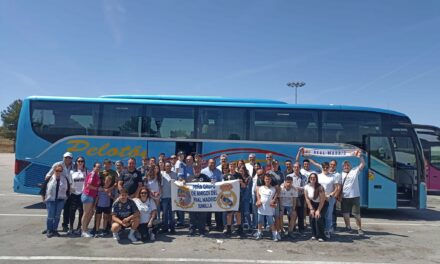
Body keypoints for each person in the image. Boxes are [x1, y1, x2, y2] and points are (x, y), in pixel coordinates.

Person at [45, 152, 74, 233]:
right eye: (66, 157)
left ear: (72, 159)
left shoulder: (74, 165)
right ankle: (49, 229)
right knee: (51, 213)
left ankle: (63, 226)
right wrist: (48, 182)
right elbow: (48, 174)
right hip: (54, 192)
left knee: (66, 210)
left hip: (67, 191)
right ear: (63, 157)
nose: (67, 159)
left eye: (69, 158)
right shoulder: (58, 164)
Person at [341, 150, 366, 235]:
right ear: (342, 167)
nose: (346, 166)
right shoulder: (340, 174)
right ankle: (348, 227)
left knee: (356, 214)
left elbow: (363, 164)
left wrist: (360, 156)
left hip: (355, 196)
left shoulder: (354, 171)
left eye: (348, 165)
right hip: (344, 197)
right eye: (345, 165)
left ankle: (359, 228)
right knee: (345, 213)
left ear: (350, 166)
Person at [44, 164, 70, 238]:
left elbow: (68, 189)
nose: (58, 172)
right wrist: (43, 198)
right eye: (57, 170)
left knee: (57, 216)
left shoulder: (64, 179)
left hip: (60, 200)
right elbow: (43, 188)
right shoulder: (49, 178)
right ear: (54, 170)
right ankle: (49, 230)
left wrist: (66, 197)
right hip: (51, 200)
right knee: (50, 216)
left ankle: (55, 230)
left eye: (60, 171)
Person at [186, 165, 211, 236]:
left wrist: (213, 182)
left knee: (202, 217)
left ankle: (202, 231)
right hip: (192, 202)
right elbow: (185, 187)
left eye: (198, 168)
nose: (196, 170)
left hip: (202, 202)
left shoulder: (205, 177)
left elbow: (212, 186)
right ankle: (192, 230)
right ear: (193, 169)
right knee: (192, 217)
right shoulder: (189, 178)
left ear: (200, 169)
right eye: (195, 168)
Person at [318, 162, 339, 239]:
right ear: (322, 167)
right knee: (320, 215)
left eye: (327, 167)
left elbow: (337, 188)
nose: (326, 168)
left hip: (330, 198)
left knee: (328, 215)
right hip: (320, 198)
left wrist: (330, 195)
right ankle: (319, 231)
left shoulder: (333, 176)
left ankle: (327, 231)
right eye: (324, 167)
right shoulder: (318, 176)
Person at [304, 173, 328, 242]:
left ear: (316, 179)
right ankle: (314, 234)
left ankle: (321, 236)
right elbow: (307, 199)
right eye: (311, 177)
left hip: (322, 204)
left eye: (314, 177)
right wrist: (311, 209)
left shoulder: (320, 187)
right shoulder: (306, 187)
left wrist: (318, 210)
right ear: (309, 178)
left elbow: (322, 201)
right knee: (312, 218)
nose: (312, 179)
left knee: (318, 218)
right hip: (313, 204)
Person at [255, 173, 278, 242]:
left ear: (271, 180)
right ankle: (259, 233)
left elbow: (276, 196)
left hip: (269, 209)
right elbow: (258, 194)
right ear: (264, 180)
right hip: (261, 208)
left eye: (268, 179)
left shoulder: (273, 189)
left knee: (271, 222)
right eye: (266, 179)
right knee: (259, 221)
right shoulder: (261, 188)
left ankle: (274, 235)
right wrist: (258, 200)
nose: (267, 180)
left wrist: (274, 201)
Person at [202, 159, 223, 231]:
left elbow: (221, 182)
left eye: (213, 163)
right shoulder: (203, 171)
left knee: (218, 210)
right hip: (207, 194)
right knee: (208, 210)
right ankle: (208, 225)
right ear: (208, 163)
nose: (212, 164)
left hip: (216, 194)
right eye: (211, 163)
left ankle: (219, 225)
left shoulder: (219, 172)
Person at [81, 162, 101, 238]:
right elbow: (88, 185)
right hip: (87, 195)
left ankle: (85, 228)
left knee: (90, 213)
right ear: (93, 167)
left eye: (99, 167)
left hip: (91, 196)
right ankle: (83, 231)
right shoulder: (92, 174)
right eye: (97, 167)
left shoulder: (96, 174)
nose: (98, 168)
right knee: (86, 214)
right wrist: (98, 188)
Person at [68, 156, 87, 236]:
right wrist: (70, 189)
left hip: (82, 194)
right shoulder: (72, 172)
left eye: (82, 161)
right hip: (73, 194)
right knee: (72, 212)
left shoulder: (86, 172)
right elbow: (69, 182)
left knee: (81, 212)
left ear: (84, 162)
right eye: (78, 161)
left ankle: (79, 228)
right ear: (76, 162)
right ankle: (71, 228)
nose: (80, 162)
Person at [223, 162, 243, 237]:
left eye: (233, 165)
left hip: (237, 196)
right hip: (229, 196)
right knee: (229, 213)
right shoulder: (226, 176)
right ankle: (228, 229)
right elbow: (221, 186)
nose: (232, 167)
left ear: (235, 166)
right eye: (230, 165)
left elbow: (244, 186)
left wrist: (241, 182)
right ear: (229, 167)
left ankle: (239, 229)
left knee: (238, 213)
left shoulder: (238, 175)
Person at [289, 162, 307, 236]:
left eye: (297, 167)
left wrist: (297, 188)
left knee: (300, 214)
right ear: (293, 168)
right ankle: (292, 229)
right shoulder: (289, 176)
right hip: (291, 197)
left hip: (300, 197)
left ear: (300, 168)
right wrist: (295, 188)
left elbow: (305, 187)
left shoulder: (304, 177)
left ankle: (301, 230)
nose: (296, 168)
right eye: (295, 167)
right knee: (291, 213)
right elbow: (287, 185)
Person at [161, 161, 177, 233]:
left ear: (171, 166)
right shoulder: (162, 174)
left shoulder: (174, 174)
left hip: (172, 197)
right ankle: (165, 228)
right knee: (164, 214)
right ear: (164, 167)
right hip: (164, 196)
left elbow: (177, 184)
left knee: (172, 214)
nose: (168, 167)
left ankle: (172, 228)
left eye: (169, 166)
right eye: (166, 166)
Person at [329, 159, 342, 231]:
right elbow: (316, 164)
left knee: (333, 212)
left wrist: (335, 196)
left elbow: (339, 187)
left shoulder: (337, 174)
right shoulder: (326, 172)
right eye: (331, 164)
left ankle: (333, 226)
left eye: (333, 165)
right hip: (325, 196)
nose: (332, 166)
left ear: (336, 166)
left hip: (333, 196)